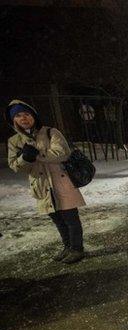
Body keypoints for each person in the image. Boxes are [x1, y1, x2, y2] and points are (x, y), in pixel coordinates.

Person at [7, 100, 87, 264]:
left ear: (34, 116)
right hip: (41, 186)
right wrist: (25, 158)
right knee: (57, 219)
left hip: (61, 182)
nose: (24, 118)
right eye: (18, 115)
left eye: (27, 114)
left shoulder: (51, 132)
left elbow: (62, 153)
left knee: (70, 218)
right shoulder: (14, 142)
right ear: (13, 120)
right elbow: (15, 166)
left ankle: (77, 249)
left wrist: (36, 155)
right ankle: (67, 247)